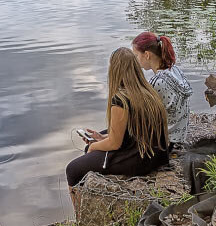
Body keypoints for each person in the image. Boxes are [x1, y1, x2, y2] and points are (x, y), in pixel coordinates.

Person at [66, 48, 170, 187]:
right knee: (101, 136)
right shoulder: (149, 92)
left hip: (139, 160)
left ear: (115, 70)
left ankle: (78, 204)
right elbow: (133, 132)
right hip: (156, 156)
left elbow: (115, 144)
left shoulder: (121, 99)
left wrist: (93, 147)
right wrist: (102, 138)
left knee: (72, 169)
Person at [131, 32, 192, 147]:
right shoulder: (175, 70)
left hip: (169, 141)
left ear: (147, 55)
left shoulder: (157, 82)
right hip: (179, 133)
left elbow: (142, 116)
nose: (135, 60)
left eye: (136, 56)